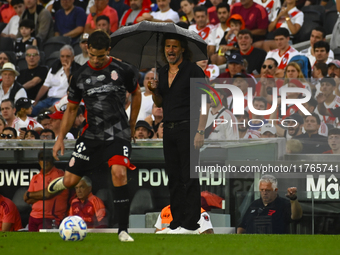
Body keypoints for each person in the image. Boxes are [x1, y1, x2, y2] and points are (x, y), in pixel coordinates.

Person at [45, 30, 141, 242]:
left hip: (118, 132)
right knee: (70, 182)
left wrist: (132, 123)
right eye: (92, 55)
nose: (96, 60)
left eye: (100, 56)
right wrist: (60, 138)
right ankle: (64, 181)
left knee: (119, 173)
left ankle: (123, 230)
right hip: (91, 134)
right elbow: (71, 109)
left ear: (109, 50)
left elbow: (136, 93)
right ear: (87, 49)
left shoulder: (123, 69)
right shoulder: (79, 75)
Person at [147, 33, 209, 234]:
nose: (170, 50)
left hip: (189, 128)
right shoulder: (162, 71)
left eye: (174, 46)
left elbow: (205, 103)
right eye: (167, 46)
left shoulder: (194, 70)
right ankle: (176, 222)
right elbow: (160, 103)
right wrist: (155, 91)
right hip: (169, 129)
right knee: (173, 177)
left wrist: (200, 131)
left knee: (189, 177)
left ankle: (191, 224)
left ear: (182, 48)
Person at [237, 175, 303, 234]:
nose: (264, 193)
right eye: (262, 190)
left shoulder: (283, 204)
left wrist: (293, 199)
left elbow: (296, 216)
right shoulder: (254, 204)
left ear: (275, 190)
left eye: (268, 190)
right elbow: (242, 227)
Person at [23, 150, 69, 231]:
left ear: (52, 160)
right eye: (42, 159)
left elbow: (48, 194)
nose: (45, 161)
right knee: (31, 242)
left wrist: (29, 194)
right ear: (38, 161)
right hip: (33, 217)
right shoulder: (35, 177)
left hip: (51, 218)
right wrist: (41, 195)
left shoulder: (59, 175)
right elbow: (27, 200)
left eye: (47, 158)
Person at [32, 45, 80, 116]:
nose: (65, 59)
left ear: (73, 57)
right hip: (49, 99)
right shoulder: (54, 67)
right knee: (33, 110)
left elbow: (74, 88)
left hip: (62, 100)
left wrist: (67, 74)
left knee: (51, 113)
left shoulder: (78, 69)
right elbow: (45, 86)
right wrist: (36, 100)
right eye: (62, 56)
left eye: (68, 56)